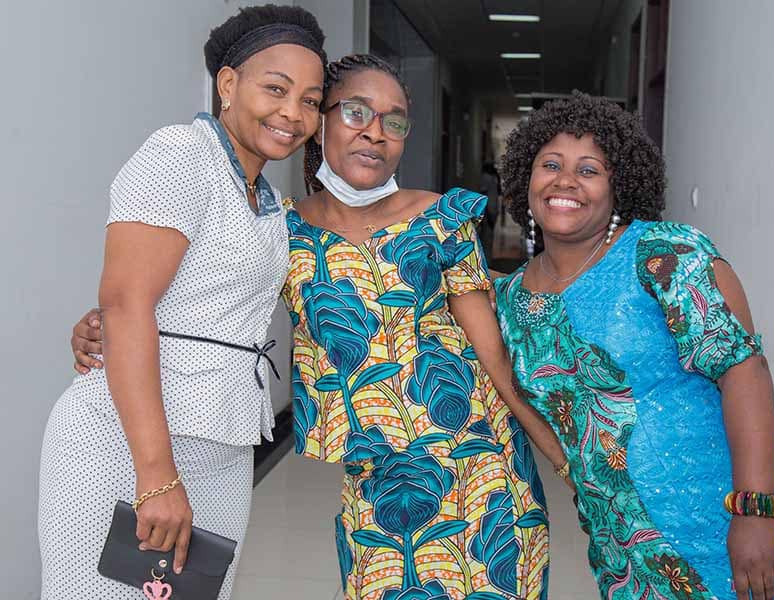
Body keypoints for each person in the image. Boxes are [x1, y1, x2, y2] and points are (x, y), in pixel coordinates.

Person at [72, 53, 568, 599]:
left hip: (481, 467)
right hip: (377, 482)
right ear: (320, 121)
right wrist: (106, 324)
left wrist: (560, 456)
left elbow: (494, 356)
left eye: (395, 121)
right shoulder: (282, 230)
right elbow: (209, 298)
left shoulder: (440, 218)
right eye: (356, 112)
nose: (376, 134)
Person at [38, 6, 326, 598]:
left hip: (220, 444)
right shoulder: (181, 156)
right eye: (276, 89)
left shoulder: (266, 198)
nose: (292, 113)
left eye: (311, 100)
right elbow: (125, 305)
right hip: (129, 443)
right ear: (228, 84)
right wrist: (155, 477)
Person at [495, 91, 774, 599]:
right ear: (526, 177)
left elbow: (745, 371)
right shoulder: (506, 301)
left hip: (733, 517)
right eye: (550, 164)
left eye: (589, 169)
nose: (565, 181)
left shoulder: (666, 255)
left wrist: (755, 510)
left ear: (620, 186)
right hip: (629, 549)